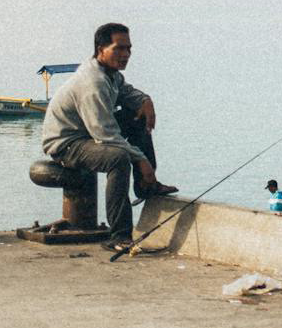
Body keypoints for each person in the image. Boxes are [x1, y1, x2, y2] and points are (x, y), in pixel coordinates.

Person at [41, 22, 179, 250]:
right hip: (67, 144)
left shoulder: (110, 74)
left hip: (88, 135)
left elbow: (126, 92)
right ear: (101, 49)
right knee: (118, 158)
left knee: (137, 118)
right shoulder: (92, 82)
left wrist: (145, 100)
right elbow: (105, 135)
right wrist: (140, 159)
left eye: (129, 49)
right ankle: (120, 235)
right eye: (119, 48)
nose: (126, 54)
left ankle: (146, 186)